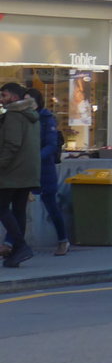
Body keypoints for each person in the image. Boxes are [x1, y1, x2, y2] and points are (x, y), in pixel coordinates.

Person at [0, 82, 41, 267]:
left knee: (2, 208)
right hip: (27, 170)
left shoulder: (14, 115)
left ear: (14, 98)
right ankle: (17, 252)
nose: (1, 99)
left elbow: (12, 144)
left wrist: (1, 164)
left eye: (4, 95)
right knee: (18, 210)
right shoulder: (31, 115)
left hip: (13, 171)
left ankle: (21, 246)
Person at [27, 88, 69, 256]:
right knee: (19, 205)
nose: (27, 104)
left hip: (44, 168)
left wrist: (35, 157)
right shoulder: (25, 118)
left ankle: (63, 240)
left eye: (30, 100)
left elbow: (51, 145)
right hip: (29, 167)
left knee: (51, 204)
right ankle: (11, 243)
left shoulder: (46, 119)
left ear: (37, 101)